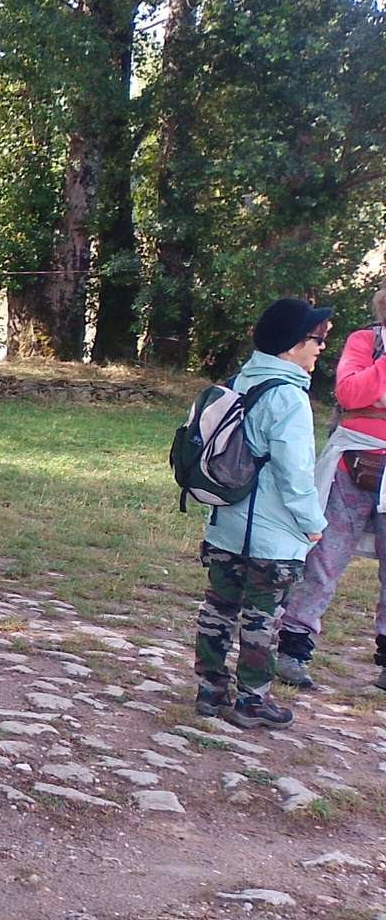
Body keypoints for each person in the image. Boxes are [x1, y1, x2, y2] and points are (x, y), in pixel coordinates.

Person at [193, 297, 330, 730]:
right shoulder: (289, 397)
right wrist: (313, 524)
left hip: (224, 524)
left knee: (218, 609)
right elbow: (295, 473)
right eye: (317, 338)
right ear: (291, 344)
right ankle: (252, 700)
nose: (322, 347)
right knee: (262, 618)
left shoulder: (238, 381)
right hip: (272, 536)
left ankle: (210, 690)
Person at [275, 282, 386, 690]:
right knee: (325, 559)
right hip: (351, 463)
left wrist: (375, 398)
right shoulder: (365, 341)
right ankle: (292, 648)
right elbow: (350, 393)